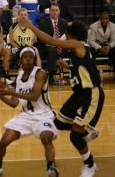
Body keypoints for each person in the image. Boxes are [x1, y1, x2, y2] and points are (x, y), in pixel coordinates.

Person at [20, 18, 105, 177]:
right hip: (79, 95)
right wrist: (67, 66)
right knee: (59, 122)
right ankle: (86, 131)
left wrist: (31, 26)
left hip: (90, 94)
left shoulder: (78, 44)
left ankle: (90, 165)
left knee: (75, 136)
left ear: (72, 35)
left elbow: (51, 41)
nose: (64, 34)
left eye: (67, 33)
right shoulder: (78, 50)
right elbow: (85, 67)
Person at [0, 46, 59, 177]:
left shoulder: (40, 73)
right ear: (20, 61)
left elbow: (35, 96)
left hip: (43, 115)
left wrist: (11, 91)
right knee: (3, 142)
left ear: (34, 59)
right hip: (25, 116)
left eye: (31, 57)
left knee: (46, 138)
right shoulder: (19, 77)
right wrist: (1, 95)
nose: (29, 60)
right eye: (26, 57)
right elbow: (14, 103)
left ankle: (51, 167)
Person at [38, 3, 67, 84]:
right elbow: (42, 39)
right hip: (47, 48)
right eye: (53, 10)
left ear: (59, 12)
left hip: (61, 47)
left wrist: (59, 44)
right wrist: (54, 44)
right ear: (50, 11)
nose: (54, 12)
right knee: (52, 50)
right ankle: (51, 76)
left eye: (56, 10)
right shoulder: (43, 23)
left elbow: (67, 37)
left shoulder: (64, 22)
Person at [88, 11, 115, 77]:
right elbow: (91, 41)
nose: (105, 20)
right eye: (103, 18)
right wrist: (100, 48)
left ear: (109, 19)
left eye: (106, 18)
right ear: (100, 19)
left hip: (107, 45)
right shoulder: (93, 26)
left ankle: (112, 65)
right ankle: (93, 73)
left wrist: (109, 47)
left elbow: (114, 40)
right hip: (97, 45)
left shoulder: (113, 26)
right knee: (90, 51)